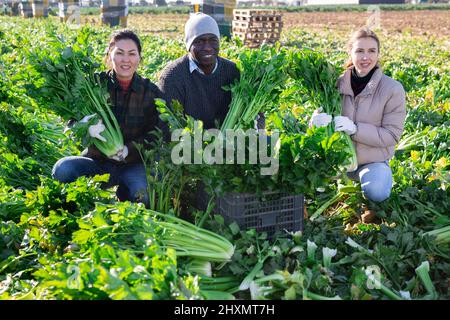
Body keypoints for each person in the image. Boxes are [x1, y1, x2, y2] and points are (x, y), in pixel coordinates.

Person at [52, 30, 162, 207]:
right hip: (98, 162)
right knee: (63, 169)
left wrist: (129, 149)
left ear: (139, 58)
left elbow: (158, 133)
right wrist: (84, 126)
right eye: (119, 53)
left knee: (143, 195)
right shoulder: (92, 84)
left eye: (132, 54)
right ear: (109, 55)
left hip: (133, 163)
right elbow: (71, 123)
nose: (125, 60)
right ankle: (80, 208)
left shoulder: (150, 91)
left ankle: (125, 193)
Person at [311, 28, 406, 202]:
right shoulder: (333, 84)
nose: (365, 57)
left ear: (378, 54)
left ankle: (377, 182)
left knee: (376, 191)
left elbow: (392, 135)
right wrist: (314, 123)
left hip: (372, 161)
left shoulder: (392, 89)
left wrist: (355, 129)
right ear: (350, 52)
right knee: (303, 180)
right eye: (359, 51)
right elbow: (319, 117)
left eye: (371, 51)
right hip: (335, 160)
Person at [158, 13, 241, 130]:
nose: (207, 47)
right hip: (187, 145)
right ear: (189, 45)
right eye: (199, 41)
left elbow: (257, 115)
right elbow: (170, 126)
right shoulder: (172, 76)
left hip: (230, 142)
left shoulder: (233, 71)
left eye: (213, 40)